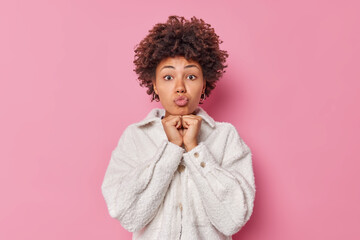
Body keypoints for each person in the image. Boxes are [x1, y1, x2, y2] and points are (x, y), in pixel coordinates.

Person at [101, 15, 256, 240]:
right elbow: (127, 214)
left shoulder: (226, 137)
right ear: (154, 84)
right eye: (168, 77)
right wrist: (171, 149)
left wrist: (194, 150)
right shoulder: (135, 137)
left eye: (191, 76)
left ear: (203, 84)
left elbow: (233, 219)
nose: (180, 87)